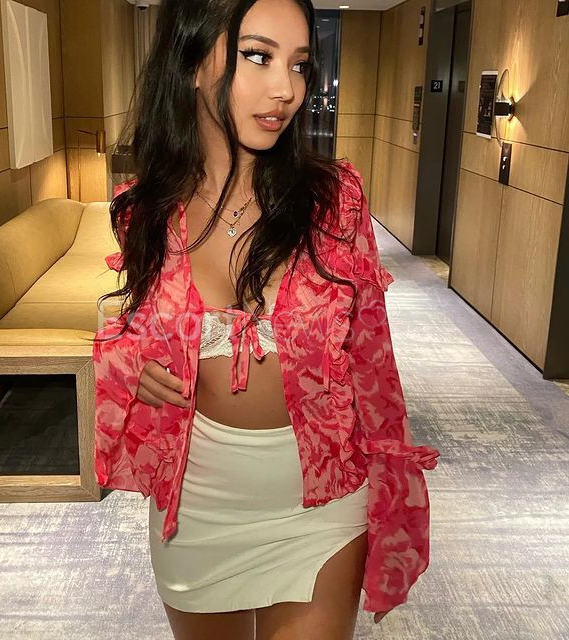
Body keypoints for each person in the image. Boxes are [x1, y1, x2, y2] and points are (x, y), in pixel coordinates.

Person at [92, 1, 441, 638]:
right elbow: (133, 321)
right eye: (258, 56)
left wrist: (393, 485)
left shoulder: (334, 202)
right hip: (198, 506)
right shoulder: (148, 209)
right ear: (193, 62)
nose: (286, 89)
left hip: (322, 504)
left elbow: (374, 361)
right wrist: (128, 357)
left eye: (299, 64)